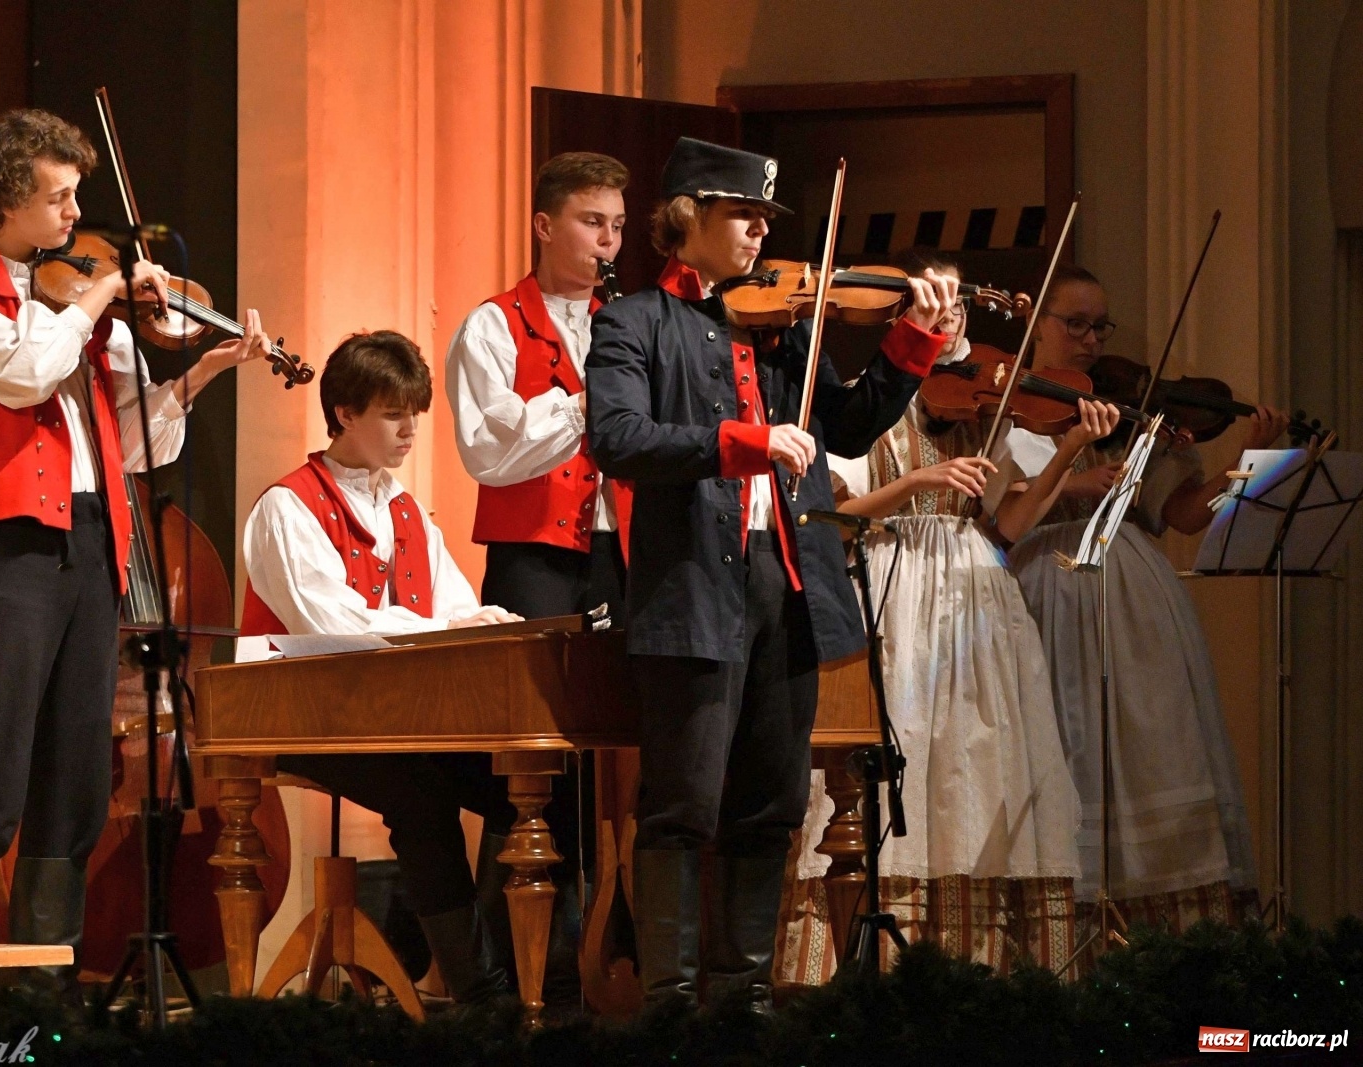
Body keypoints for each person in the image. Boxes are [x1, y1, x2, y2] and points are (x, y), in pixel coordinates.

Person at [585, 137, 954, 1011]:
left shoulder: (785, 328)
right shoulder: (634, 321)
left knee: (773, 807)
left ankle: (742, 1002)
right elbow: (620, 440)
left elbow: (853, 425)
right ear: (689, 218)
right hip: (690, 592)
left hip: (785, 586)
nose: (758, 230)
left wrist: (916, 338)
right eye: (742, 213)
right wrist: (744, 444)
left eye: (764, 217)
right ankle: (670, 1007)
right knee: (682, 806)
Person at [0, 108, 267, 995]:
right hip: (8, 550)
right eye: (58, 198)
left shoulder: (68, 303)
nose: (75, 216)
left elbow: (137, 444)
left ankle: (44, 981)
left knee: (74, 770)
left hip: (92, 541)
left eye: (77, 195)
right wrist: (102, 298)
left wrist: (206, 368)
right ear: (6, 200)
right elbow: (23, 375)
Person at [780, 253, 1082, 980]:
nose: (951, 327)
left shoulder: (986, 415)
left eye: (959, 314)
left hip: (977, 599)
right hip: (897, 583)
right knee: (907, 758)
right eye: (936, 309)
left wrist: (1070, 446)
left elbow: (1006, 523)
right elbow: (831, 513)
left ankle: (977, 969)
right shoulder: (867, 407)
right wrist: (918, 480)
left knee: (976, 764)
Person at [241, 330, 523, 1005]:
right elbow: (332, 625)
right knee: (420, 795)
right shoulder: (289, 505)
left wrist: (483, 625)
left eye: (416, 413)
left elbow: (455, 603)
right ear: (343, 413)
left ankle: (532, 976)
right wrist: (446, 626)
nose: (410, 429)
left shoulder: (408, 511)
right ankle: (480, 993)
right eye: (394, 412)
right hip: (303, 711)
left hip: (395, 713)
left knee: (526, 785)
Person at [994, 265, 1275, 936]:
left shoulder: (1127, 415)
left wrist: (1247, 458)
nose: (1091, 341)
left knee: (1149, 745)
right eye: (1076, 325)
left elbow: (1181, 514)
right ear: (1039, 327)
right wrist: (1071, 479)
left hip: (1131, 598)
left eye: (1100, 327)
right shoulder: (999, 411)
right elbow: (994, 514)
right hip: (1040, 587)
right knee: (1062, 743)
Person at [444, 150, 631, 999]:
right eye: (594, 222)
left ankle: (603, 958)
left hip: (623, 551)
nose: (608, 240)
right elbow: (491, 451)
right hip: (535, 557)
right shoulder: (491, 325)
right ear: (546, 224)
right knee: (532, 765)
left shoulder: (633, 318)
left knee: (620, 758)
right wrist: (589, 400)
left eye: (619, 224)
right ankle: (508, 975)